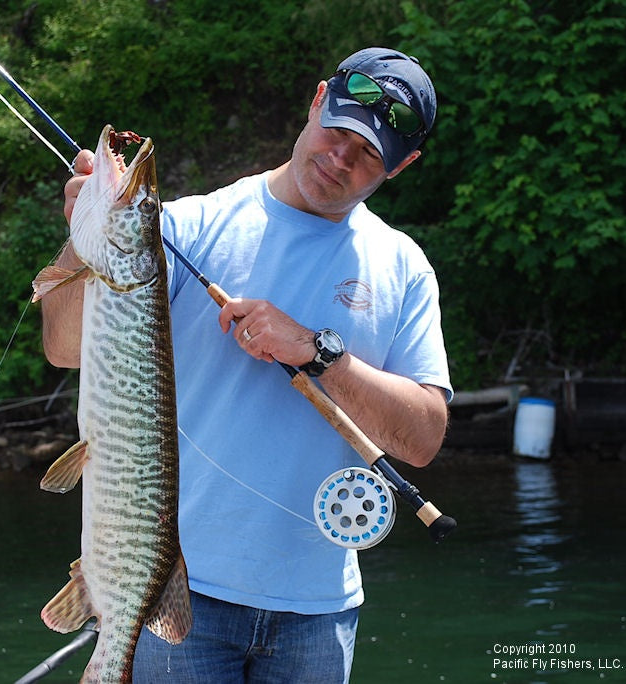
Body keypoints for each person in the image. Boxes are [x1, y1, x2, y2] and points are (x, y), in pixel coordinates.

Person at [42, 47, 452, 683]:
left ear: (401, 166)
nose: (340, 157)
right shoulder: (190, 225)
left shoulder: (403, 268)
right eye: (337, 130)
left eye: (368, 152)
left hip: (319, 614)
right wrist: (83, 239)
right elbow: (66, 347)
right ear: (316, 101)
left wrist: (319, 353)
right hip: (177, 595)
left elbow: (423, 438)